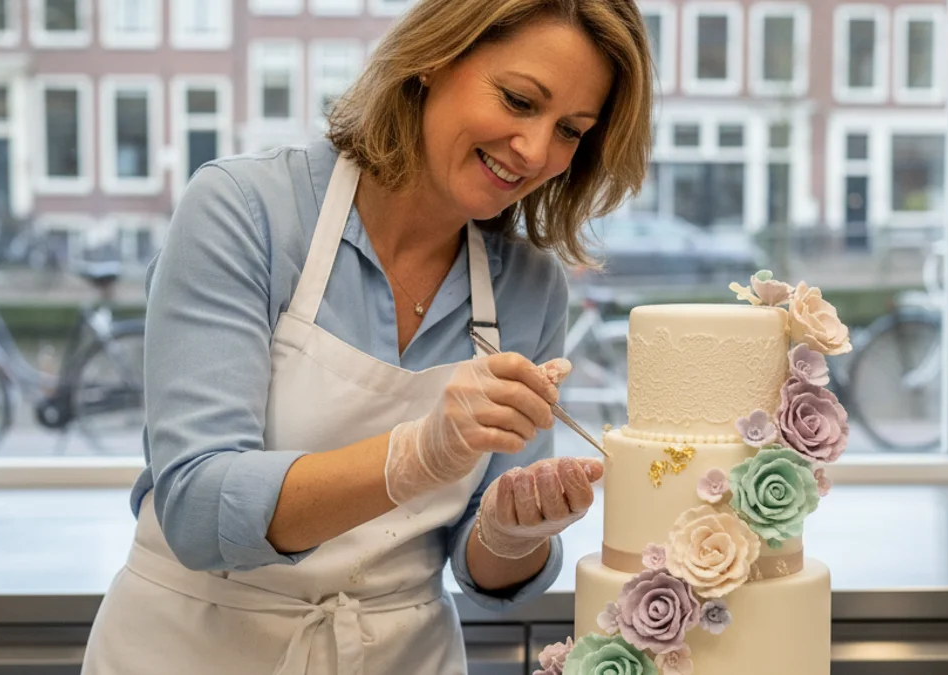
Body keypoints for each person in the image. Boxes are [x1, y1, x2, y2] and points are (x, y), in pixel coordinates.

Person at [81, 0, 654, 671]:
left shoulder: (528, 287)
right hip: (190, 647)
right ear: (435, 58)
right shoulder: (246, 211)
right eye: (519, 100)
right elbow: (198, 509)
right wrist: (414, 455)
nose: (535, 151)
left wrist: (511, 528)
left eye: (571, 131)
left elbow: (487, 574)